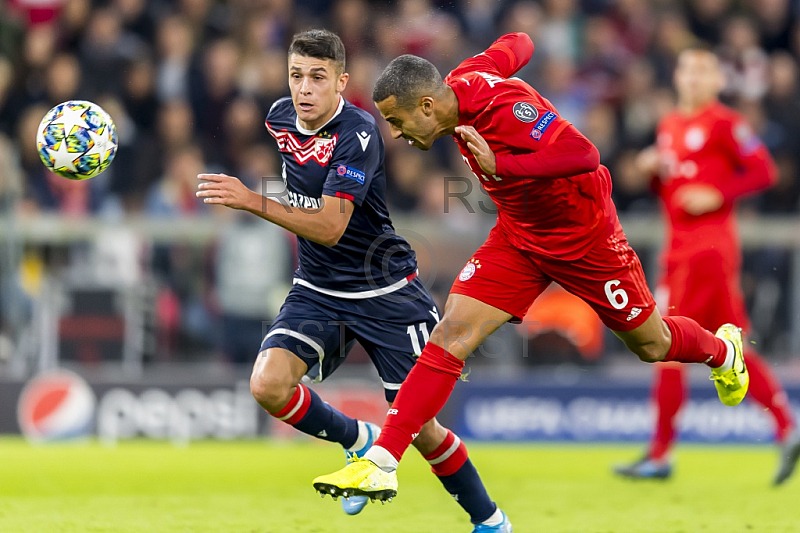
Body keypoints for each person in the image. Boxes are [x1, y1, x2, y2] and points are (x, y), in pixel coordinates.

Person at [312, 32, 751, 503]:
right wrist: (516, 49)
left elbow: (584, 154)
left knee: (651, 342)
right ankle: (382, 461)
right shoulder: (464, 80)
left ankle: (722, 351)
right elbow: (518, 42)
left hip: (585, 238)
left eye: (397, 122)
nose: (395, 134)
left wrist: (502, 166)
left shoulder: (503, 110)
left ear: (425, 106)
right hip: (519, 236)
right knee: (451, 333)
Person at [195, 30, 512, 532]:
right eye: (296, 75)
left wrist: (251, 199)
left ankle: (490, 520)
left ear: (342, 82)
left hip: (384, 292)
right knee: (268, 385)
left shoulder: (358, 133)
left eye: (318, 78)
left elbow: (330, 225)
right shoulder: (279, 118)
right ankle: (359, 440)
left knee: (423, 431)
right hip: (318, 288)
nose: (304, 88)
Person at [613, 48, 800, 486]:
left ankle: (660, 453)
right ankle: (786, 426)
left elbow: (763, 171)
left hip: (703, 252)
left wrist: (718, 192)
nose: (695, 79)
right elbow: (673, 188)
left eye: (704, 72)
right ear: (677, 77)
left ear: (718, 80)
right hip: (684, 249)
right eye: (688, 70)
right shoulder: (670, 126)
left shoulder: (724, 123)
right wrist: (650, 172)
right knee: (734, 345)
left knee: (664, 342)